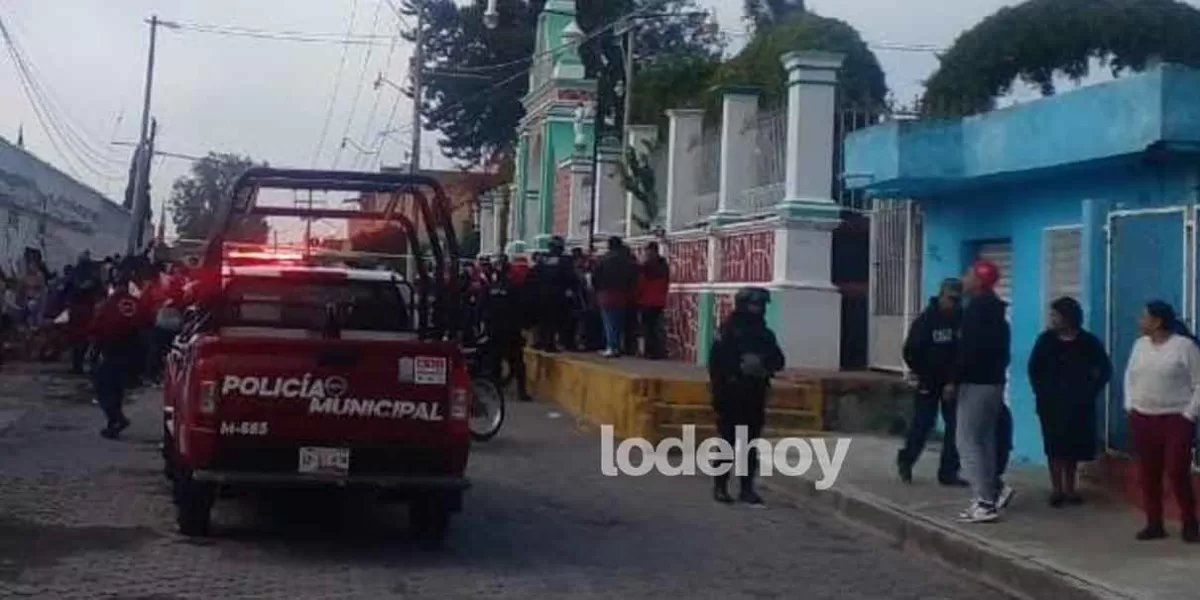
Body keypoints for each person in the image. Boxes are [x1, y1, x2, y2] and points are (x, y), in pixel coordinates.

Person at [1123, 300, 1199, 542]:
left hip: (1176, 417)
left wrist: (1189, 414)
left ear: (1157, 321)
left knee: (1177, 470)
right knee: (1148, 472)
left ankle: (1190, 521)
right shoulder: (1139, 346)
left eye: (1144, 317)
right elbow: (1129, 375)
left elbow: (1199, 382)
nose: (1139, 321)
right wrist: (1130, 404)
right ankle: (1154, 522)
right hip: (1143, 416)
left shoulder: (1184, 347)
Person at [1027, 297, 1112, 507]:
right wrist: (1042, 393)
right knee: (1054, 446)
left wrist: (1091, 391)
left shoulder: (1087, 342)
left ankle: (1070, 488)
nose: (1052, 319)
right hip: (1051, 404)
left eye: (1056, 315)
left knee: (1073, 447)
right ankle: (1057, 489)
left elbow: (1105, 369)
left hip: (1079, 405)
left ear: (1068, 317)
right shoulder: (1045, 340)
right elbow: (1034, 369)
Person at [708, 287, 785, 505]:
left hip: (755, 394)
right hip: (730, 395)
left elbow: (778, 360)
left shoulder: (764, 334)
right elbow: (716, 364)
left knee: (750, 444)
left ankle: (746, 488)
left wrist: (762, 364)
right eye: (754, 304)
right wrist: (736, 370)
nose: (758, 309)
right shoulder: (728, 331)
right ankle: (720, 486)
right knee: (728, 442)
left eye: (760, 305)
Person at [951, 260, 1012, 523]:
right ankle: (990, 494)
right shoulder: (997, 312)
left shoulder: (976, 311)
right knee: (985, 440)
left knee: (967, 441)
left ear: (979, 280)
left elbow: (968, 351)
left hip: (975, 383)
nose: (963, 278)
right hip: (994, 383)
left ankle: (984, 501)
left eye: (968, 273)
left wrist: (954, 379)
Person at [897, 278, 967, 486]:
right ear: (941, 295)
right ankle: (906, 460)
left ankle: (948, 472)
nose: (952, 303)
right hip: (928, 381)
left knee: (955, 427)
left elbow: (962, 354)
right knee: (923, 424)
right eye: (949, 298)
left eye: (956, 299)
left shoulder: (961, 320)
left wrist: (953, 381)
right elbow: (910, 350)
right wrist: (920, 373)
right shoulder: (926, 321)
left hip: (952, 384)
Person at [89, 270, 142, 439]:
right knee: (117, 388)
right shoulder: (135, 303)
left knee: (103, 387)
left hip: (111, 349)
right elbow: (146, 322)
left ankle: (117, 418)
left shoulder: (109, 304)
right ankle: (113, 425)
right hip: (132, 352)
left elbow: (97, 327)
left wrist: (94, 351)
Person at [484, 253, 531, 402]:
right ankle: (521, 392)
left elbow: (483, 309)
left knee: (494, 362)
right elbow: (521, 308)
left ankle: (494, 390)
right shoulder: (514, 287)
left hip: (495, 330)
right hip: (510, 330)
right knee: (517, 362)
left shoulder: (491, 288)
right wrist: (523, 327)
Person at [527, 237, 578, 352]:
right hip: (558, 295)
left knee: (545, 321)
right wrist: (572, 290)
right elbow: (571, 277)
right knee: (560, 320)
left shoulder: (543, 260)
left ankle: (543, 342)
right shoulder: (565, 260)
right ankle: (559, 343)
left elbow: (533, 277)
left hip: (542, 295)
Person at [592, 236, 639, 358]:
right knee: (618, 321)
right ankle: (617, 346)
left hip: (606, 292)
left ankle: (611, 347)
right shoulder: (627, 259)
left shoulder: (604, 259)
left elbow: (595, 276)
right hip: (622, 293)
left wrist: (597, 289)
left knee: (608, 320)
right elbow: (634, 276)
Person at [636, 242, 670, 360]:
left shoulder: (645, 267)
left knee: (648, 328)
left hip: (647, 301)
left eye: (647, 251)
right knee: (657, 327)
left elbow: (640, 284)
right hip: (659, 301)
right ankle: (658, 351)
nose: (646, 253)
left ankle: (650, 351)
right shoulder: (664, 265)